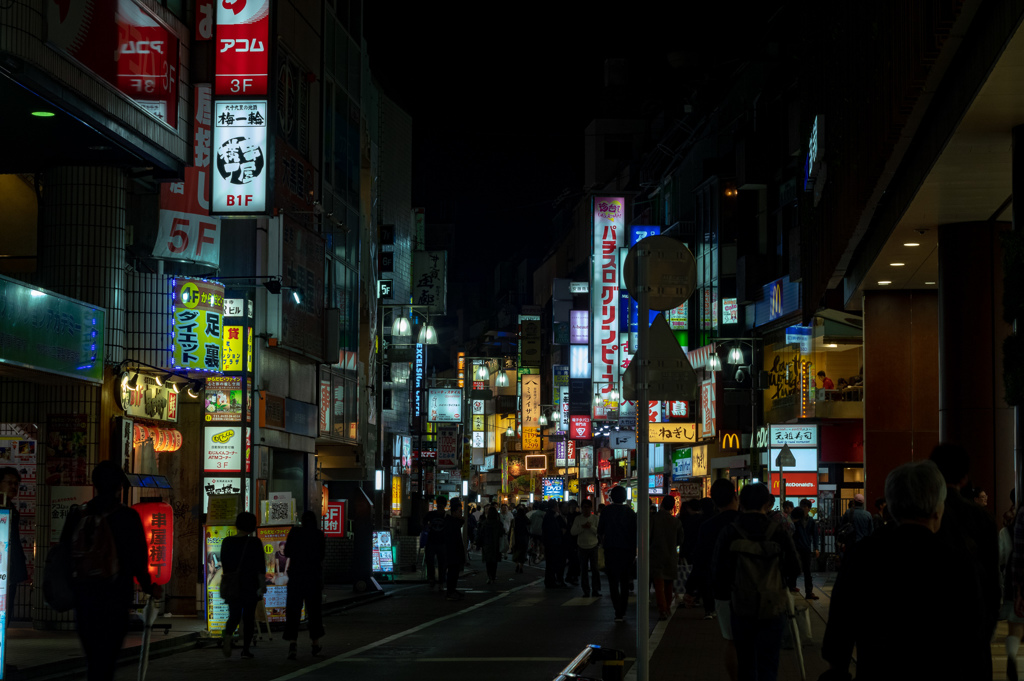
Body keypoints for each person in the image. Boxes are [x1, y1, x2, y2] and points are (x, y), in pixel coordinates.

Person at [822, 461, 981, 680]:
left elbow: (840, 627)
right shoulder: (956, 561)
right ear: (937, 509)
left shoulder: (863, 554)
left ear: (892, 506)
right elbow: (971, 636)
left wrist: (838, 669)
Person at [61, 460, 157, 681]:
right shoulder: (127, 517)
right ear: (119, 487)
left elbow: (64, 553)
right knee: (108, 657)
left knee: (93, 657)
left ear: (94, 484)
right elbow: (138, 559)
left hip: (84, 596)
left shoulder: (77, 514)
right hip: (116, 595)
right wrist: (148, 587)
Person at [712, 482, 799, 681]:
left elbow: (718, 571)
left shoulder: (730, 531)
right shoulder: (778, 531)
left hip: (741, 606)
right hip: (773, 606)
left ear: (740, 502)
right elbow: (795, 567)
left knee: (746, 664)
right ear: (767, 503)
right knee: (768, 664)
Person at [931, 443, 999, 678]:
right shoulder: (983, 519)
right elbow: (992, 582)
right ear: (965, 477)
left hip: (932, 638)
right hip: (973, 638)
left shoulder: (925, 514)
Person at [220, 511, 265, 659]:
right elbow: (260, 567)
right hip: (250, 584)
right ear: (252, 526)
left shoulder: (227, 542)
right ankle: (246, 649)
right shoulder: (255, 543)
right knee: (248, 618)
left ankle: (227, 637)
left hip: (233, 585)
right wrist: (262, 584)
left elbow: (225, 566)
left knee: (234, 615)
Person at [284, 510, 326, 660]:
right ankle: (315, 643)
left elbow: (287, 551)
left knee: (293, 610)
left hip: (296, 576)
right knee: (314, 611)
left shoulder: (295, 533)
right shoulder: (318, 534)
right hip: (313, 577)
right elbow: (321, 555)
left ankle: (292, 644)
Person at [598, 486, 637, 622]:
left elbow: (600, 531)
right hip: (627, 551)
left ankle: (617, 611)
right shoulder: (630, 512)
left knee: (613, 582)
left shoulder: (606, 512)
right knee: (625, 581)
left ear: (611, 497)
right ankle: (623, 610)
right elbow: (634, 534)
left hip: (611, 550)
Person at [650, 495, 683, 619]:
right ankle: (667, 607)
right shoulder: (676, 521)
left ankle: (662, 609)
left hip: (656, 555)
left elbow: (649, 537)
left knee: (659, 584)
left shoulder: (653, 519)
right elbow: (680, 539)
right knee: (669, 584)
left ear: (661, 504)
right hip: (671, 556)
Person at [1000, 489, 1022, 681]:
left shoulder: (1008, 527)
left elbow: (1005, 556)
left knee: (1014, 627)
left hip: (1014, 583)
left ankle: (1012, 656)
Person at [0, 467, 28, 611]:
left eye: (16, 484)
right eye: (9, 483)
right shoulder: (5, 508)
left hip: (9, 566)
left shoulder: (12, 509)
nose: (13, 487)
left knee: (7, 604)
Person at [571, 499, 601, 597]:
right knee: (583, 570)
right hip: (582, 546)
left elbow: (599, 531)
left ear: (591, 508)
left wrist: (590, 527)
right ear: (582, 508)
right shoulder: (578, 519)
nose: (586, 509)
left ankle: (595, 589)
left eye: (588, 507)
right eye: (584, 507)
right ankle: (586, 590)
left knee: (595, 569)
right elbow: (573, 532)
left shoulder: (595, 518)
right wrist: (582, 527)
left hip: (593, 546)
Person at [790, 506, 818, 600]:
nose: (804, 510)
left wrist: (816, 547)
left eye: (806, 508)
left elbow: (815, 535)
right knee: (794, 568)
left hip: (805, 548)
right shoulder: (796, 521)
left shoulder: (810, 521)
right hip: (797, 548)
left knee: (807, 571)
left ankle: (809, 592)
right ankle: (792, 587)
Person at [444, 498, 466, 600]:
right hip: (452, 551)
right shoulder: (450, 522)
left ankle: (452, 590)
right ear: (454, 512)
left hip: (454, 550)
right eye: (459, 512)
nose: (461, 514)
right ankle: (450, 591)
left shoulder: (451, 521)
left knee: (454, 572)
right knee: (452, 572)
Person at [424, 498, 448, 590]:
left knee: (442, 563)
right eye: (438, 506)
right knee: (430, 561)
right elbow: (423, 522)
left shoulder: (446, 516)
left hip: (441, 542)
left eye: (441, 506)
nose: (439, 508)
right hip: (432, 542)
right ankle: (432, 579)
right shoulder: (431, 515)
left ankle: (440, 581)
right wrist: (427, 526)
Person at [542, 501, 568, 588]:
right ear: (556, 506)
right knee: (553, 564)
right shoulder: (553, 516)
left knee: (550, 564)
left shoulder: (548, 515)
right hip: (554, 543)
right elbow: (555, 530)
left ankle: (550, 581)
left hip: (550, 543)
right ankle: (551, 582)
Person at [478, 506, 503, 584]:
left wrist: (479, 544)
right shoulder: (498, 523)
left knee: (488, 562)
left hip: (487, 544)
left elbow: (481, 534)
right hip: (496, 544)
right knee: (494, 562)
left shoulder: (485, 523)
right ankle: (493, 576)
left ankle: (489, 577)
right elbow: (501, 533)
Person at [563, 500, 581, 585]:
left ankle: (572, 576)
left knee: (574, 559)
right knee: (573, 559)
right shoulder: (567, 516)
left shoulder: (576, 515)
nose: (574, 507)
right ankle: (571, 576)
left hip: (575, 540)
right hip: (570, 540)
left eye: (575, 506)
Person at [512, 503, 530, 573]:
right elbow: (529, 524)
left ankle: (517, 564)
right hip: (524, 538)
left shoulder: (515, 519)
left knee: (516, 552)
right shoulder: (525, 519)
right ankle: (521, 566)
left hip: (516, 538)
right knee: (523, 553)